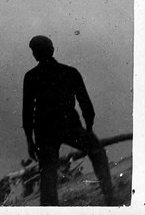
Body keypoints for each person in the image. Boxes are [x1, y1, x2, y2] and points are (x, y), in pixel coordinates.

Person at [22, 34, 115, 205]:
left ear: (35, 54)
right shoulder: (70, 72)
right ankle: (110, 197)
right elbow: (86, 105)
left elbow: (27, 113)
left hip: (44, 132)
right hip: (70, 126)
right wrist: (89, 128)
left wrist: (29, 140)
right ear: (52, 50)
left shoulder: (31, 76)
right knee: (97, 152)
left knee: (47, 175)